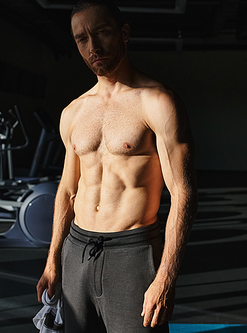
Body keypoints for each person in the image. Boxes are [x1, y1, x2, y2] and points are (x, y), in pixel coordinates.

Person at [35, 0, 197, 332]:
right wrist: (53, 258)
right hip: (76, 250)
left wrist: (166, 275)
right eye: (81, 38)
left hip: (132, 253)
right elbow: (67, 191)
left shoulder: (157, 102)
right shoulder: (74, 112)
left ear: (123, 33)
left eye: (102, 32)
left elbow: (183, 193)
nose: (92, 46)